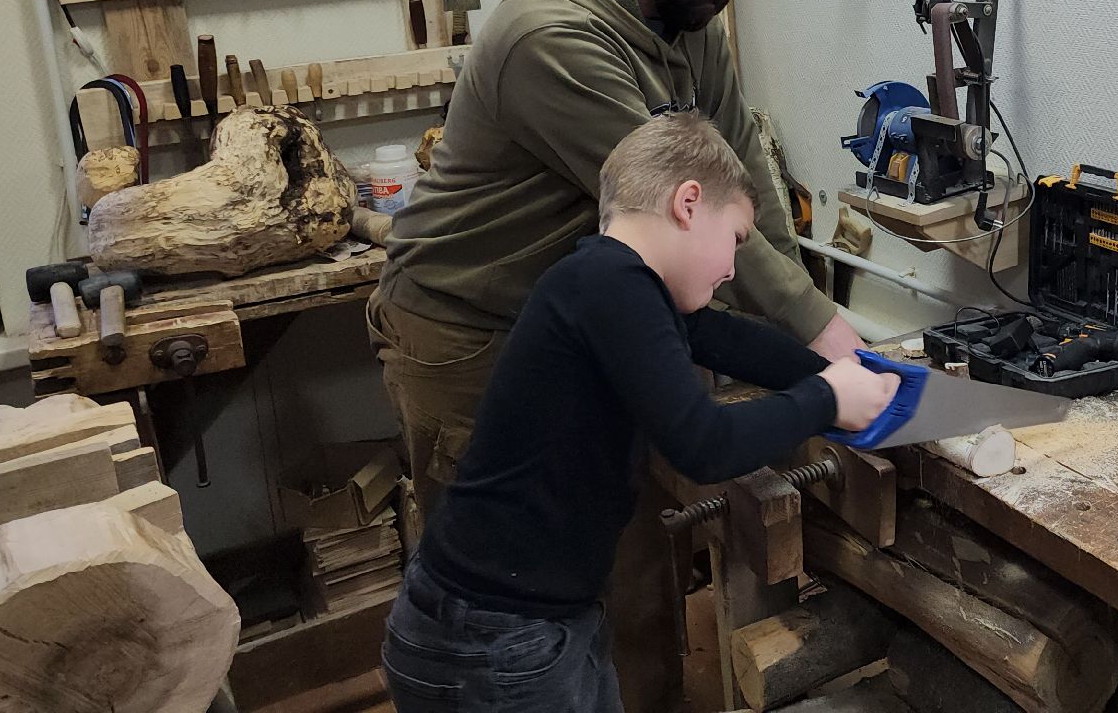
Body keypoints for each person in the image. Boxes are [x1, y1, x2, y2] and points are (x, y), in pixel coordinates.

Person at [369, 0, 864, 511]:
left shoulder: (692, 24)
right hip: (473, 331)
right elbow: (676, 206)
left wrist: (810, 312)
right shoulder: (551, 34)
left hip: (585, 314)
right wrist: (815, 331)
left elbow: (741, 180)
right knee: (509, 563)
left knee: (614, 531)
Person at [381, 113, 899, 712]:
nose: (733, 267)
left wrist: (844, 376)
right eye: (734, 238)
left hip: (537, 618)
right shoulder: (611, 285)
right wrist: (827, 398)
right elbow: (703, 444)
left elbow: (724, 338)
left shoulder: (613, 283)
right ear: (688, 203)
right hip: (490, 642)